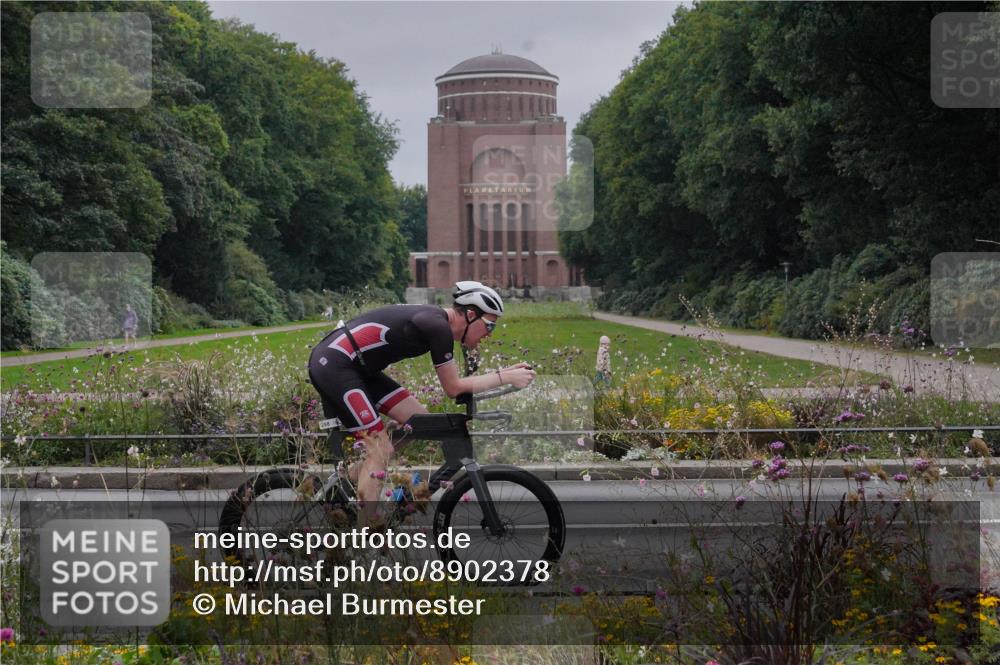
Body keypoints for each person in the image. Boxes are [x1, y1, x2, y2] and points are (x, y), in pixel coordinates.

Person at [307, 281, 535, 526]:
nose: (490, 333)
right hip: (335, 365)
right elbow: (453, 388)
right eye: (489, 325)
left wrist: (505, 374)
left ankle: (351, 479)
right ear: (470, 315)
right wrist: (504, 377)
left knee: (421, 424)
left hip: (359, 368)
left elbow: (460, 384)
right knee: (380, 448)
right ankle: (366, 533)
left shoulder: (440, 324)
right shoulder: (437, 327)